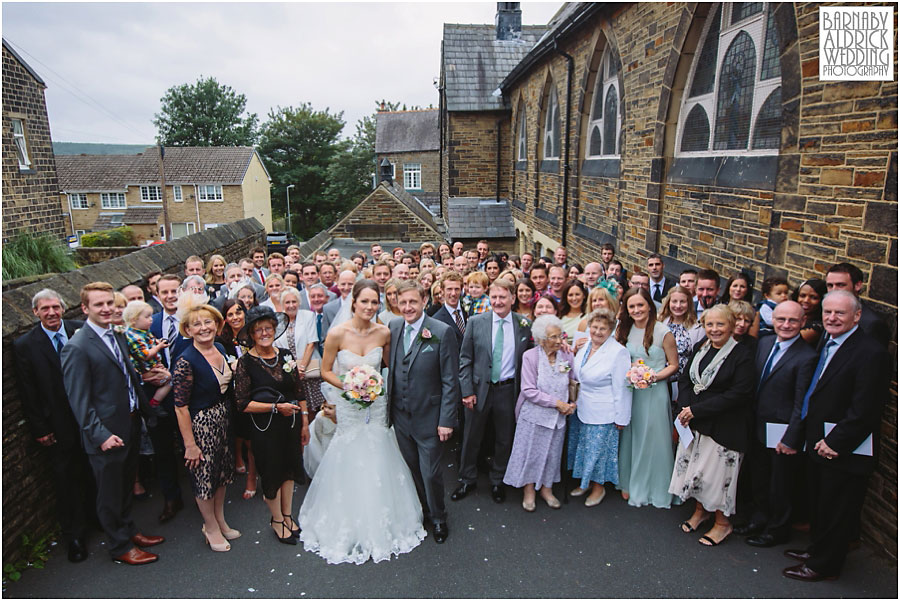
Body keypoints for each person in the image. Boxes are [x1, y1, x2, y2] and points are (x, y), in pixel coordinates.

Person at [298, 280, 428, 563]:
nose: (369, 307)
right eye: (364, 301)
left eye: (374, 302)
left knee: (379, 449)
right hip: (349, 404)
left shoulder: (385, 332)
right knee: (350, 450)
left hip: (377, 403)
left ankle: (386, 519)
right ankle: (348, 520)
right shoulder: (336, 334)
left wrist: (375, 386)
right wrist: (349, 385)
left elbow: (391, 367)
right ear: (353, 302)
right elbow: (325, 370)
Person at [780, 291, 889, 582]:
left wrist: (836, 443)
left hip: (844, 448)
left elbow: (866, 408)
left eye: (840, 313)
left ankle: (824, 565)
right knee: (821, 504)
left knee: (837, 509)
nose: (832, 318)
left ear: (857, 316)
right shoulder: (828, 342)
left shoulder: (871, 353)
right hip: (818, 442)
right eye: (827, 312)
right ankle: (817, 550)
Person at [61, 282, 164, 565]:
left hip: (129, 423)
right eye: (99, 305)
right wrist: (100, 435)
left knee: (124, 487)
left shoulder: (116, 335)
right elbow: (79, 400)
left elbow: (126, 376)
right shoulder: (77, 347)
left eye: (110, 303)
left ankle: (129, 530)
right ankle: (119, 547)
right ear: (85, 308)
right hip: (106, 434)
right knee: (108, 493)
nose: (107, 309)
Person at [15, 289, 93, 563]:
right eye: (44, 309)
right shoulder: (25, 345)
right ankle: (74, 536)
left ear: (63, 308)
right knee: (65, 480)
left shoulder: (80, 330)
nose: (51, 313)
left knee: (93, 470)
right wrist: (40, 429)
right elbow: (28, 392)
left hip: (89, 417)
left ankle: (99, 521)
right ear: (35, 313)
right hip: (58, 425)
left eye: (55, 307)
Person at [669, 304, 755, 546]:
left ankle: (722, 523)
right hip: (696, 424)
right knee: (697, 473)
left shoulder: (742, 355)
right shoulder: (701, 347)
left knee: (718, 478)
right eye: (710, 324)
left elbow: (739, 394)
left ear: (731, 326)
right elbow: (686, 380)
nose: (715, 329)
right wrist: (685, 409)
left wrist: (695, 410)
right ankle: (700, 511)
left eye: (720, 324)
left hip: (724, 426)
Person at [387, 280, 461, 543]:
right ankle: (424, 510)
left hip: (430, 417)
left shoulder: (441, 331)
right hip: (400, 415)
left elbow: (451, 380)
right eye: (402, 302)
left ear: (424, 301)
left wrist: (446, 420)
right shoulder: (394, 326)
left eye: (413, 302)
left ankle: (439, 518)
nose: (407, 307)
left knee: (431, 472)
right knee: (413, 469)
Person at [739, 301, 816, 549]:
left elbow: (802, 402)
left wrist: (793, 436)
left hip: (782, 431)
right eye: (781, 319)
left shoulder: (808, 356)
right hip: (757, 425)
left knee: (780, 484)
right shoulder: (764, 343)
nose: (785, 325)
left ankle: (777, 529)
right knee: (759, 478)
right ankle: (759, 519)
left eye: (792, 321)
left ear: (802, 322)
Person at [453, 278, 533, 504]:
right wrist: (466, 390)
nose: (497, 302)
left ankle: (498, 479)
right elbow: (465, 359)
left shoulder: (524, 324)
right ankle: (467, 478)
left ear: (512, 298)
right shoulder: (476, 322)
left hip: (508, 390)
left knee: (504, 438)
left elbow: (534, 354)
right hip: (478, 390)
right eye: (494, 297)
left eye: (502, 297)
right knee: (471, 437)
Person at [234, 306, 309, 545]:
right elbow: (242, 403)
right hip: (266, 428)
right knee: (272, 472)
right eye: (259, 330)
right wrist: (276, 408)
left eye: (268, 328)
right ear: (251, 334)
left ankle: (287, 515)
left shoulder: (286, 355)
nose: (265, 333)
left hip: (291, 423)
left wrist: (305, 421)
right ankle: (276, 520)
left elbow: (299, 390)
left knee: (289, 470)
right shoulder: (246, 363)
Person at [171, 301, 239, 553]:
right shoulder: (185, 361)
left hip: (223, 419)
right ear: (187, 330)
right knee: (204, 479)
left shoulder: (221, 348)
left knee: (221, 474)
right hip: (201, 425)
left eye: (208, 322)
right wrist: (190, 444)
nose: (203, 328)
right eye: (196, 324)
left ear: (217, 324)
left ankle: (219, 519)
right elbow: (180, 407)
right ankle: (209, 527)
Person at [503, 314, 575, 511]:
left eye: (560, 336)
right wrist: (557, 403)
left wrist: (572, 402)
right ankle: (529, 491)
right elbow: (528, 390)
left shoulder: (567, 355)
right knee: (531, 454)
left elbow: (573, 380)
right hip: (533, 416)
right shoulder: (530, 356)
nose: (559, 340)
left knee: (552, 454)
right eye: (553, 337)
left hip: (557, 418)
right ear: (542, 339)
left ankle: (547, 489)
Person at [616, 287, 680, 508]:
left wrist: (652, 377)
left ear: (650, 307)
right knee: (632, 436)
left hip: (654, 392)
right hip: (631, 392)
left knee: (652, 439)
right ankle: (629, 482)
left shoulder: (663, 332)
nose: (636, 310)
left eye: (640, 305)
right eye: (632, 306)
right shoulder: (624, 329)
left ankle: (654, 488)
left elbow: (674, 365)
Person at [569, 309, 632, 506]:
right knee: (584, 449)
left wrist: (622, 418)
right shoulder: (586, 345)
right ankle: (585, 482)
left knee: (599, 452)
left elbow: (623, 388)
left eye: (603, 328)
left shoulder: (619, 352)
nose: (597, 331)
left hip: (604, 412)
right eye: (594, 327)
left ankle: (598, 488)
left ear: (611, 329)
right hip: (581, 407)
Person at [148, 274, 189, 523]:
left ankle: (200, 494)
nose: (170, 296)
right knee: (163, 452)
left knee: (191, 448)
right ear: (158, 294)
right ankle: (171, 498)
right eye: (165, 292)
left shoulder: (192, 321)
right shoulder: (149, 323)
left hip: (189, 398)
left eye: (175, 291)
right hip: (159, 399)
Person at [216, 298, 258, 499]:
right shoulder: (221, 342)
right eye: (230, 314)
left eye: (238, 312)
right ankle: (238, 457)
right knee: (238, 431)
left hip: (254, 391)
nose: (235, 317)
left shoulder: (253, 334)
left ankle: (252, 477)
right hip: (232, 394)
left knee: (253, 438)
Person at [276, 287, 325, 416]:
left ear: (299, 302)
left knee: (313, 409)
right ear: (282, 304)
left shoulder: (308, 316)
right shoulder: (277, 321)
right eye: (287, 302)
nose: (291, 305)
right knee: (295, 409)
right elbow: (276, 346)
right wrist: (293, 370)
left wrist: (301, 367)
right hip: (288, 372)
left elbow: (311, 343)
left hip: (308, 369)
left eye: (294, 301)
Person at [824, 262, 889, 348]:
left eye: (840, 285)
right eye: (830, 285)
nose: (834, 290)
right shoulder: (826, 310)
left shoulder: (871, 324)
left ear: (857, 285)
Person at [658, 285, 704, 403]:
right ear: (668, 302)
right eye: (674, 301)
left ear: (689, 303)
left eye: (682, 302)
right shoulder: (659, 323)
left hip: (683, 384)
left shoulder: (697, 328)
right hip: (660, 380)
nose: (678, 306)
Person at [123, 301, 172, 408]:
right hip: (147, 369)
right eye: (147, 317)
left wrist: (158, 343)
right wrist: (158, 347)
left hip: (154, 366)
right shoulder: (134, 337)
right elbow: (145, 355)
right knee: (170, 379)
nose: (151, 319)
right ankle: (154, 403)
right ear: (134, 320)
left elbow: (151, 341)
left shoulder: (143, 331)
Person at [428, 272, 468, 348]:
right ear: (442, 291)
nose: (453, 293)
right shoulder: (436, 320)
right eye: (449, 289)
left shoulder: (469, 310)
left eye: (457, 289)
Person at [792, 278, 827, 347]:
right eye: (802, 296)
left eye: (813, 297)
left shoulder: (817, 328)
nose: (806, 300)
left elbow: (789, 341)